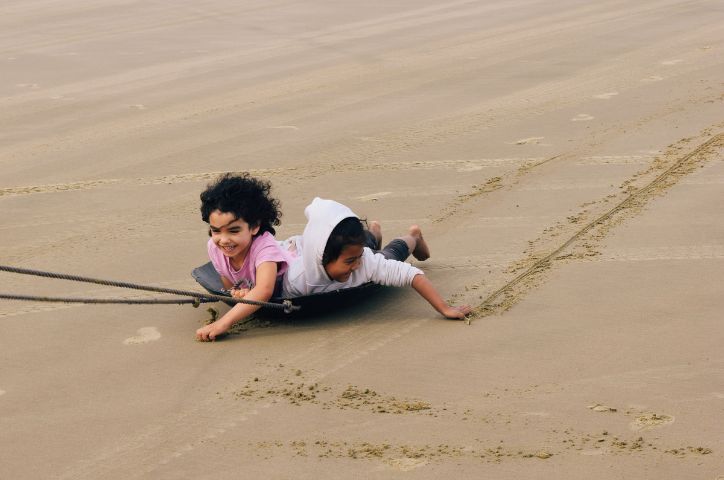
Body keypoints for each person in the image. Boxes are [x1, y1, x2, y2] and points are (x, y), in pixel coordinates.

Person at [282, 197, 471, 319]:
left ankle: (414, 236)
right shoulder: (298, 278)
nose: (356, 266)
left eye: (357, 260)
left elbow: (412, 275)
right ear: (321, 258)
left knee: (390, 254)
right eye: (349, 262)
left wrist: (444, 308)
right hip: (353, 249)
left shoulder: (364, 262)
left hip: (364, 251)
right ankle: (374, 233)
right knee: (364, 246)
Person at [196, 173, 295, 341]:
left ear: (255, 226)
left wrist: (224, 323)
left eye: (234, 231)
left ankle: (292, 246)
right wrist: (237, 292)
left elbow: (264, 290)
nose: (224, 239)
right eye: (216, 231)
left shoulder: (264, 248)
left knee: (293, 249)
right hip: (255, 284)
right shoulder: (214, 247)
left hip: (289, 276)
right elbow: (229, 282)